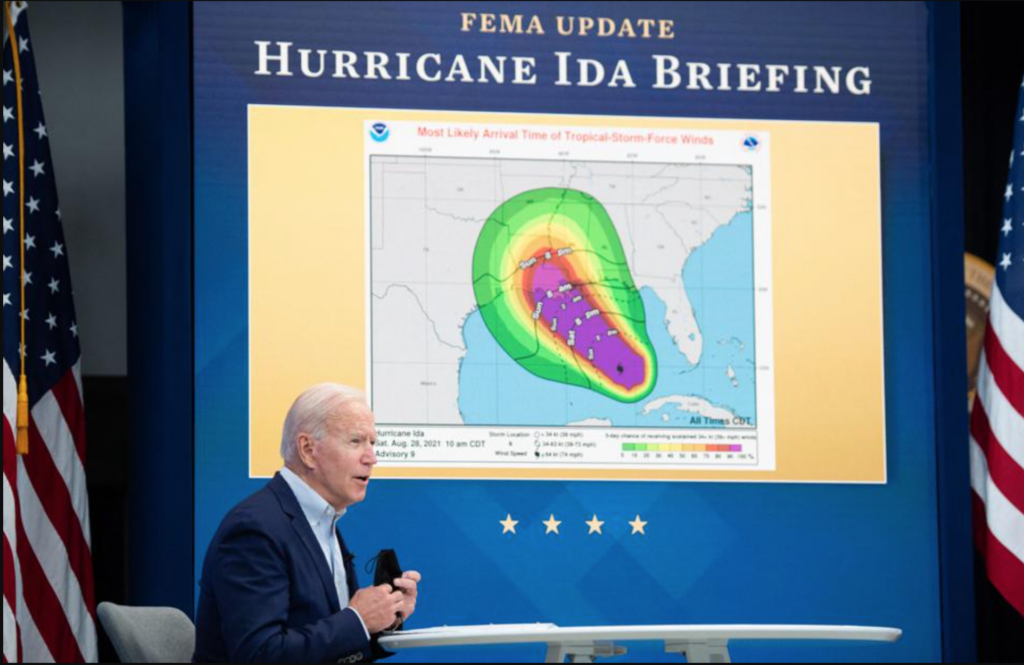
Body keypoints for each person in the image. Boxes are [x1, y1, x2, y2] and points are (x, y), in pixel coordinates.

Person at [194, 383, 421, 663]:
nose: (371, 457)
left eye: (372, 443)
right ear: (308, 449)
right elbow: (260, 655)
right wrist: (357, 620)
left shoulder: (322, 522)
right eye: (355, 441)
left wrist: (386, 618)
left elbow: (333, 646)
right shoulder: (255, 529)